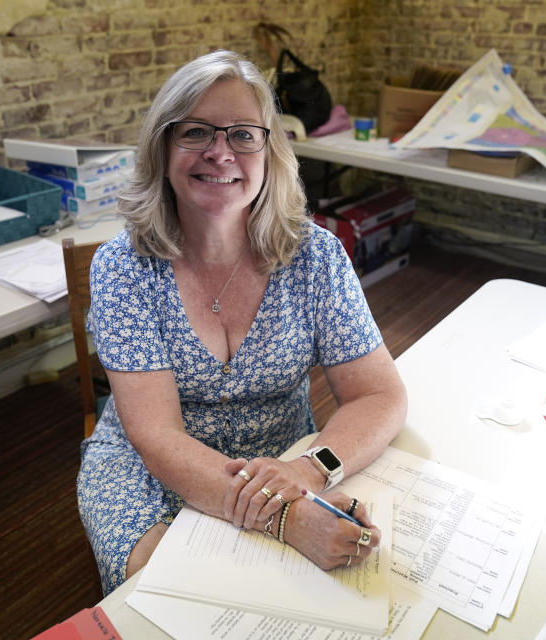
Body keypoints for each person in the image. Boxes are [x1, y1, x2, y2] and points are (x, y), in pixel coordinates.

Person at [76, 49, 407, 595]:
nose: (219, 152)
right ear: (163, 147)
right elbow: (157, 436)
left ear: (269, 150)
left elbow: (379, 395)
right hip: (150, 469)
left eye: (242, 135)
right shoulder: (124, 267)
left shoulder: (315, 255)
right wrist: (285, 516)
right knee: (177, 596)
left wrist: (307, 472)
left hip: (283, 460)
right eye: (196, 132)